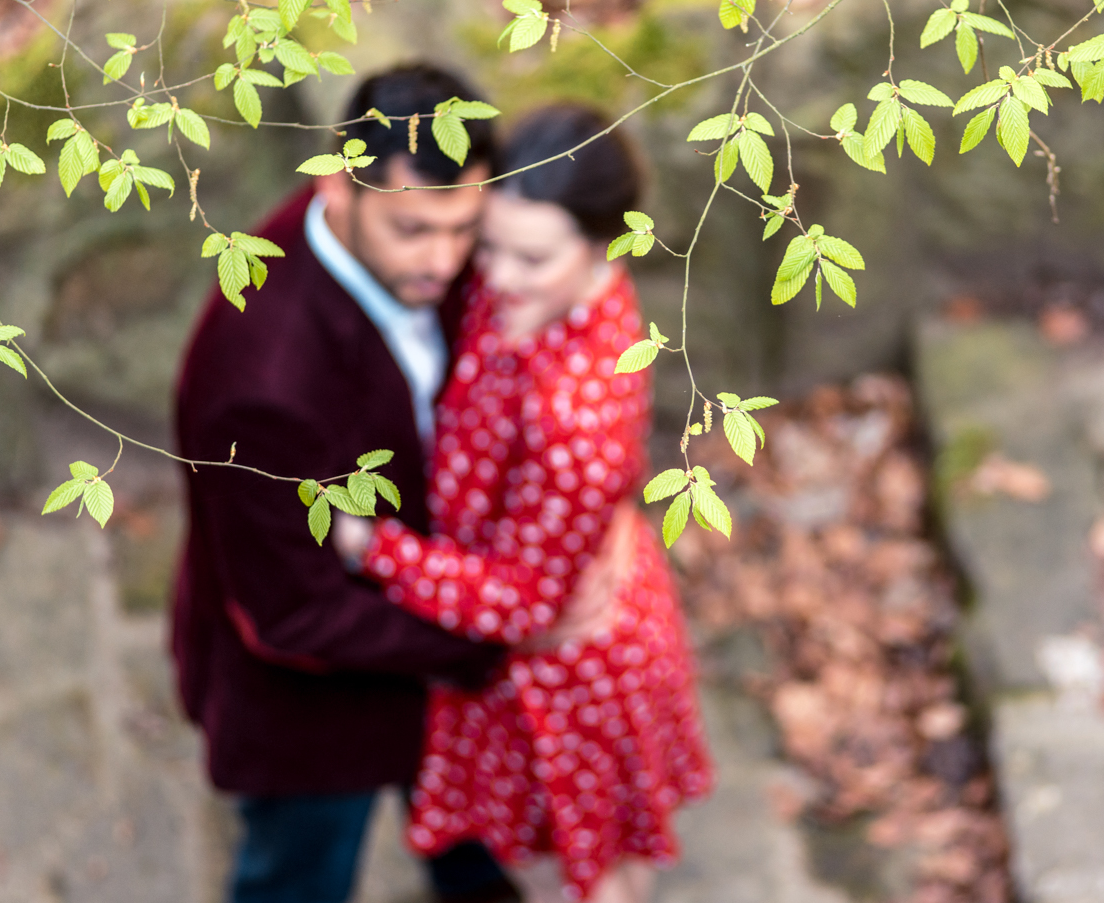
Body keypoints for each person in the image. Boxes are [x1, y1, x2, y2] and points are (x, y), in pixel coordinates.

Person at [334, 106, 715, 903]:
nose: (496, 275)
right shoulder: (550, 291)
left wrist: (376, 549)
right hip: (553, 602)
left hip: (569, 671)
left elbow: (522, 598)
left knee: (593, 863)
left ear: (605, 241)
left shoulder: (579, 414)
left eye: (532, 258)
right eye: (491, 242)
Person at [173, 65, 526, 903]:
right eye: (413, 229)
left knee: (474, 849)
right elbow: (289, 611)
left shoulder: (447, 257)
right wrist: (492, 639)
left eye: (464, 228)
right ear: (338, 185)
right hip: (315, 709)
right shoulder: (259, 377)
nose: (444, 261)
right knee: (296, 879)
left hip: (440, 634)